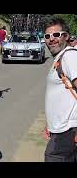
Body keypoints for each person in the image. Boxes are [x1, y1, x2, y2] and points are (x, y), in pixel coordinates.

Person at [44, 17, 77, 162]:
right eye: (47, 36)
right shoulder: (60, 58)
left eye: (56, 35)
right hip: (62, 130)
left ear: (66, 36)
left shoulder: (69, 56)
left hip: (68, 131)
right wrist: (51, 123)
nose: (51, 39)